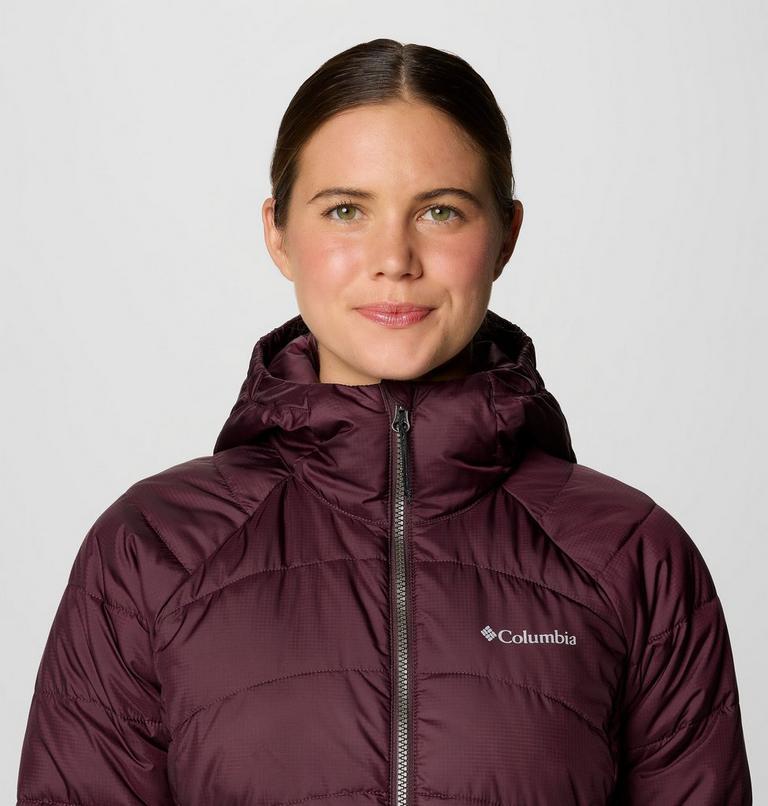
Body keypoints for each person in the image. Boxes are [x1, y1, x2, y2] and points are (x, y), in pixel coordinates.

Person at [16, 38, 751, 805]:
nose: (394, 258)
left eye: (440, 211)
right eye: (346, 210)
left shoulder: (632, 555)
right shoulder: (152, 550)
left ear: (505, 236)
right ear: (278, 233)